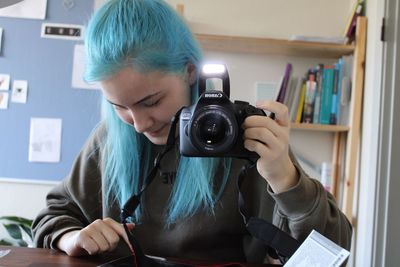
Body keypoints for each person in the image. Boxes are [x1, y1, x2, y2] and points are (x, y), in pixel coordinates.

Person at [32, 0, 352, 264]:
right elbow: (53, 215)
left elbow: (329, 253)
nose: (139, 123)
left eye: (151, 101)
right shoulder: (110, 139)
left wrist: (285, 178)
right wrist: (71, 237)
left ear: (189, 71)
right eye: (119, 106)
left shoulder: (241, 137)